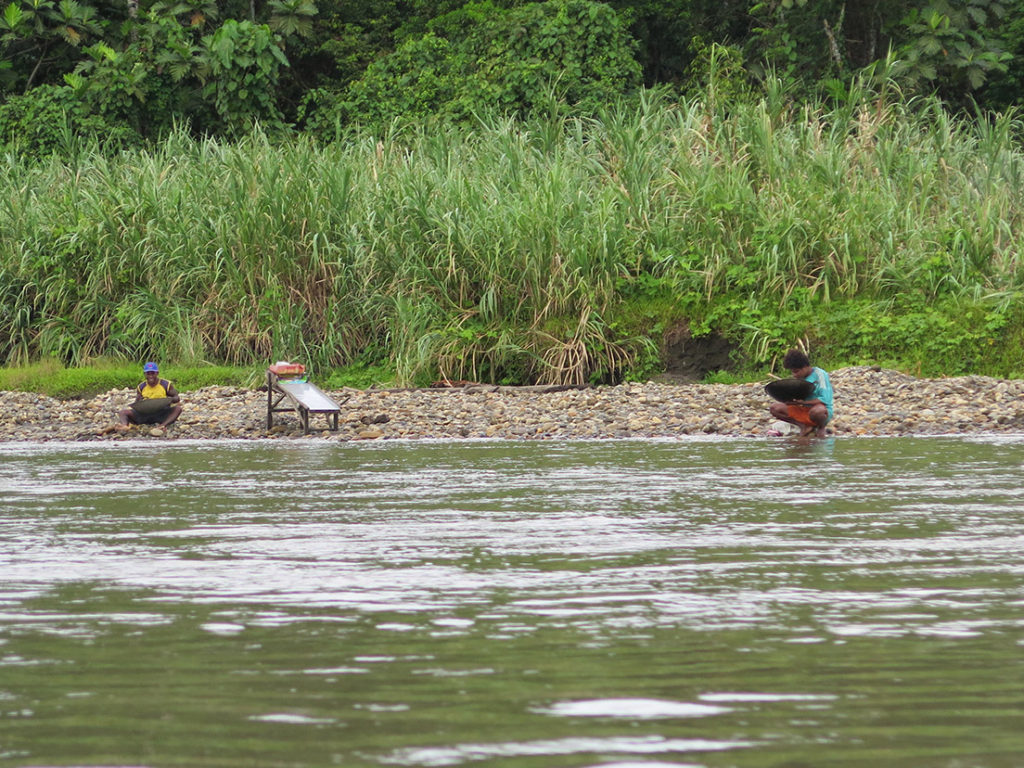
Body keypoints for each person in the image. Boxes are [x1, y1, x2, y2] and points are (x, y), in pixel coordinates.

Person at [769, 349, 833, 437]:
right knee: (774, 408)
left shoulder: (820, 374)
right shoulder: (798, 379)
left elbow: (825, 399)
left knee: (818, 411)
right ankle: (803, 426)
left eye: (796, 371)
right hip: (802, 410)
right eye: (792, 372)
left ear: (805, 367)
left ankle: (820, 427)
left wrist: (804, 403)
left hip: (818, 412)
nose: (794, 375)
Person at [117, 362, 182, 432]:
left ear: (157, 373)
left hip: (161, 413)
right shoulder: (141, 387)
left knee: (178, 409)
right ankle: (124, 426)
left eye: (153, 373)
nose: (150, 376)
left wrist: (169, 400)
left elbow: (177, 398)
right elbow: (136, 403)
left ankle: (162, 425)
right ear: (145, 374)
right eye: (148, 374)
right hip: (144, 415)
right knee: (123, 412)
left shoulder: (166, 384)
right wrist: (139, 400)